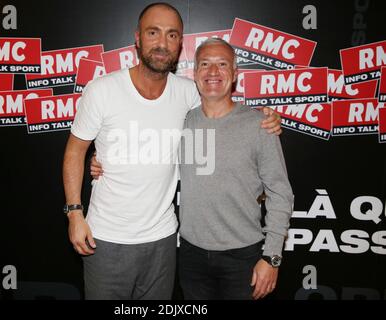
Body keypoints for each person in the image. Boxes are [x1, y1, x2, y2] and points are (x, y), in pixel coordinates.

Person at [63, 2, 281, 300]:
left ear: (180, 45)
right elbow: (76, 149)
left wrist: (269, 118)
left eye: (172, 35)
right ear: (137, 38)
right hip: (106, 239)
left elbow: (224, 108)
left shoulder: (190, 93)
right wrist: (75, 213)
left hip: (164, 241)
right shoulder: (101, 90)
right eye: (154, 32)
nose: (162, 43)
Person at [177, 38, 294, 300]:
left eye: (222, 64)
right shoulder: (180, 122)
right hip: (190, 256)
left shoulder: (259, 125)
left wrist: (272, 257)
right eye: (205, 64)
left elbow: (280, 192)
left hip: (243, 258)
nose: (213, 72)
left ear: (235, 74)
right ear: (195, 74)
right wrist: (101, 163)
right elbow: (149, 159)